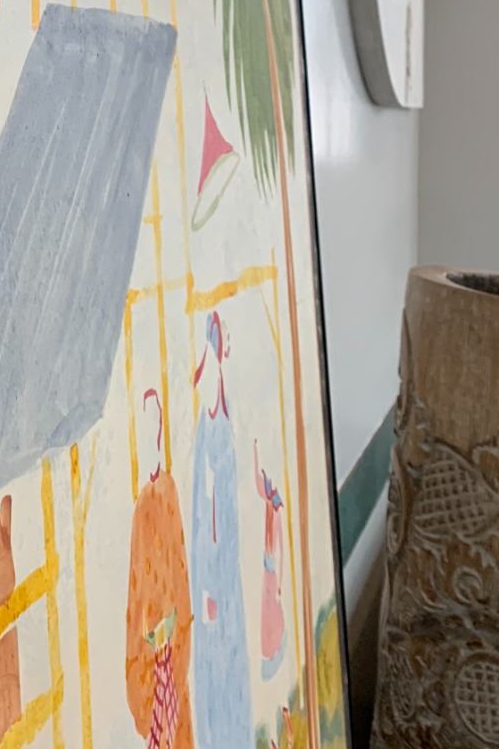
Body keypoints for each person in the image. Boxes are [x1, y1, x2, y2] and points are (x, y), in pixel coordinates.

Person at [189, 311, 252, 748]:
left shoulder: (224, 423)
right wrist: (209, 584)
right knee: (214, 669)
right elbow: (203, 516)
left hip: (226, 577)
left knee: (231, 663)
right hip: (212, 581)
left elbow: (223, 510)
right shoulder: (206, 432)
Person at [126, 389, 194, 749]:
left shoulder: (168, 491)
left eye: (154, 423)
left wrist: (174, 627)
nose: (149, 434)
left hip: (172, 645)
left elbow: (178, 567)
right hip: (151, 652)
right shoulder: (142, 506)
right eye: (144, 424)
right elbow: (136, 584)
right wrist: (146, 636)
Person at [254, 445, 287, 680]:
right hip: (269, 571)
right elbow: (258, 482)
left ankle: (273, 647)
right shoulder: (268, 504)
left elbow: (281, 551)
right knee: (267, 610)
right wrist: (255, 451)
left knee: (271, 611)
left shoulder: (276, 513)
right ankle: (269, 649)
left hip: (272, 571)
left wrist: (280, 583)